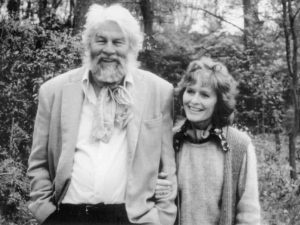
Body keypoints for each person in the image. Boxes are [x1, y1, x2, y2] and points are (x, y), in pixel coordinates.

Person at [27, 4, 177, 225]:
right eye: (101, 40)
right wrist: (46, 213)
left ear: (132, 47)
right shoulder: (53, 91)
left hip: (131, 218)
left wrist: (161, 217)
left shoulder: (159, 92)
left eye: (118, 42)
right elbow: (38, 162)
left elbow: (168, 167)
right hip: (66, 216)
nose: (109, 50)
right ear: (89, 44)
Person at [155, 57, 261, 225]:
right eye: (190, 91)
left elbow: (249, 214)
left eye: (204, 94)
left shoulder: (239, 145)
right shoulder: (170, 139)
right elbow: (150, 196)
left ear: (219, 102)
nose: (194, 101)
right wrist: (154, 188)